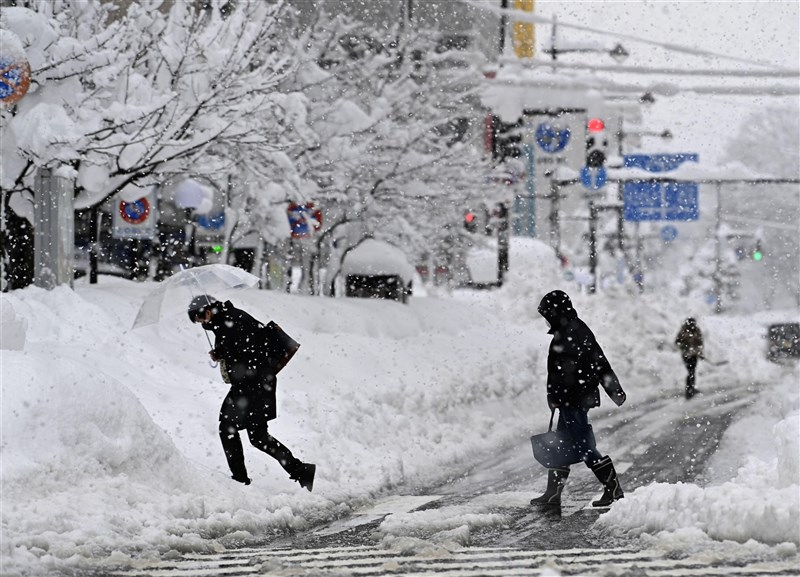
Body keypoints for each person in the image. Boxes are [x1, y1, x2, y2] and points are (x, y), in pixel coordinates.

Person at [188, 295, 316, 491]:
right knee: (258, 437)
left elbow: (251, 351)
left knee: (228, 427)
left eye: (201, 320)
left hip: (252, 384)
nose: (202, 324)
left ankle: (239, 481)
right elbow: (241, 348)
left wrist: (227, 356)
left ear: (207, 312)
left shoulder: (233, 321)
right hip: (256, 382)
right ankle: (301, 470)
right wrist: (221, 353)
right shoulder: (225, 321)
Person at [531, 290, 627, 508]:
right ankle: (553, 494)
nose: (546, 320)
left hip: (575, 400)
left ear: (556, 312)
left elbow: (596, 362)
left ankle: (613, 489)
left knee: (584, 446)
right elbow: (560, 372)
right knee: (562, 444)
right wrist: (553, 396)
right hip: (569, 400)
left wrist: (614, 389)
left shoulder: (574, 331)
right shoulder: (567, 330)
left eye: (547, 315)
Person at [675, 317, 704, 399]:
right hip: (686, 355)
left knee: (692, 372)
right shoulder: (683, 331)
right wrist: (685, 348)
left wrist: (700, 353)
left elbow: (699, 342)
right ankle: (689, 390)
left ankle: (692, 388)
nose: (692, 325)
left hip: (694, 355)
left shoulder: (696, 330)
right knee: (690, 372)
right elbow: (677, 342)